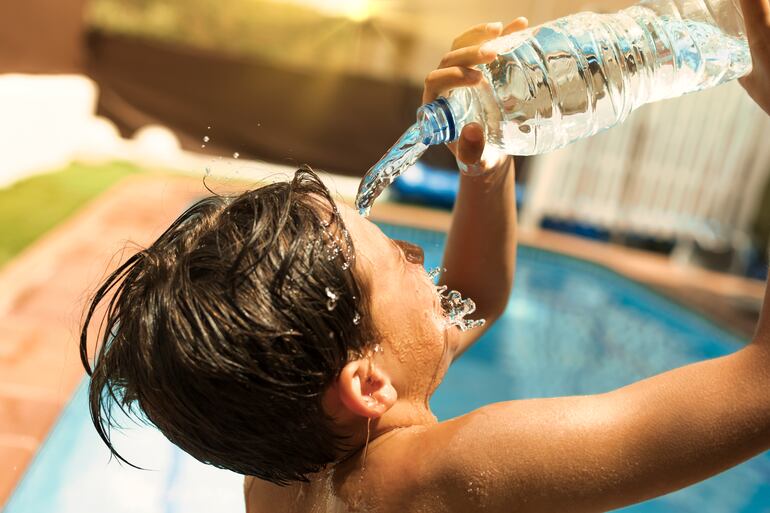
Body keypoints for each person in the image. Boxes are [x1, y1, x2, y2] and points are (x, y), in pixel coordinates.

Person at [79, 5, 770, 512]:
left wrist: (485, 165)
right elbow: (760, 390)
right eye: (402, 261)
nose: (419, 252)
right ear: (369, 383)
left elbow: (473, 295)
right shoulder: (455, 471)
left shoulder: (279, 481)